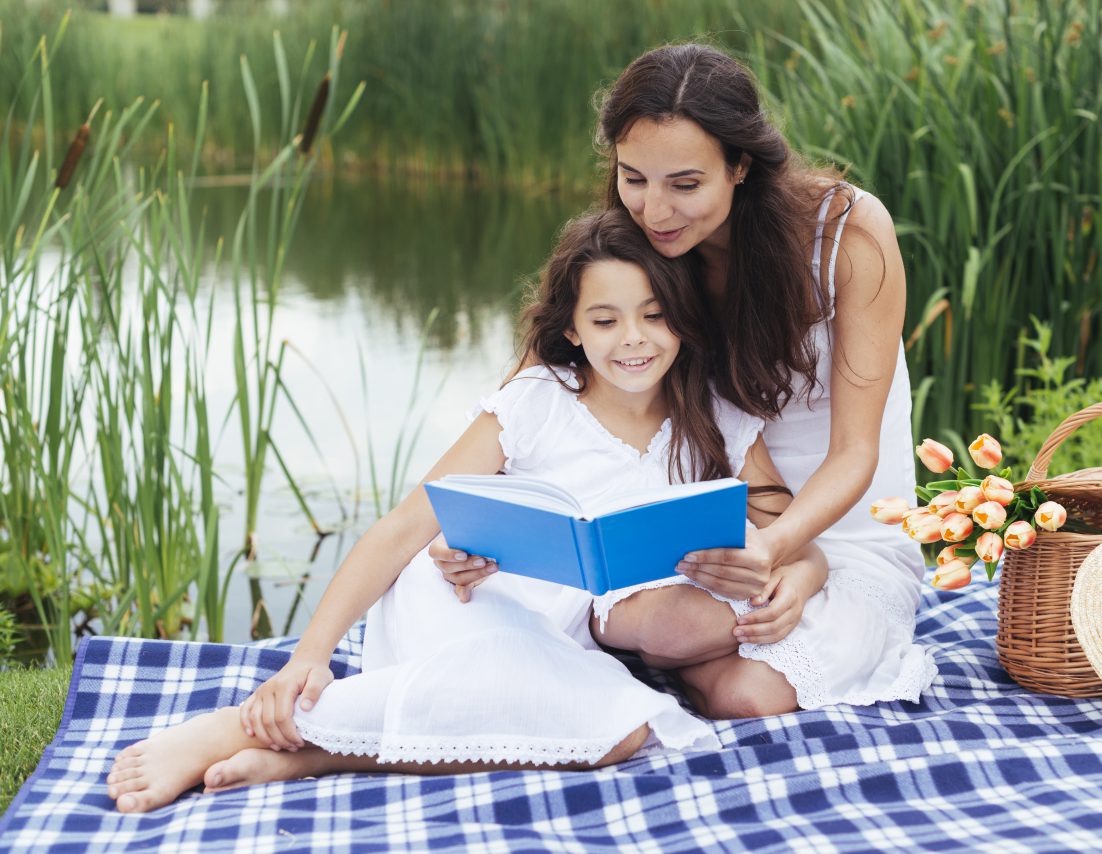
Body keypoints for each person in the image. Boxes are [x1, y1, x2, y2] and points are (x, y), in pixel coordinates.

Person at [106, 208, 827, 814]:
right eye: (605, 320)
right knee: (505, 672)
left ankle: (313, 758)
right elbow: (401, 530)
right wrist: (309, 654)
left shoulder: (717, 418)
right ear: (572, 328)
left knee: (619, 735)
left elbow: (795, 536)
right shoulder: (539, 400)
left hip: (565, 642)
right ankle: (237, 727)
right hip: (468, 596)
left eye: (654, 315)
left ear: (685, 319)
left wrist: (792, 580)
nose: (632, 339)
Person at [437, 43, 936, 714]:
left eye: (685, 184)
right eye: (633, 176)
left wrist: (782, 552)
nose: (656, 210)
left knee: (751, 694)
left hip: (832, 531)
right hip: (700, 536)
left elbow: (856, 454)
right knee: (678, 628)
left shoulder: (846, 234)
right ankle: (666, 652)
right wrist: (473, 525)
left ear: (739, 166)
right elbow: (535, 391)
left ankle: (673, 668)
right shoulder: (637, 248)